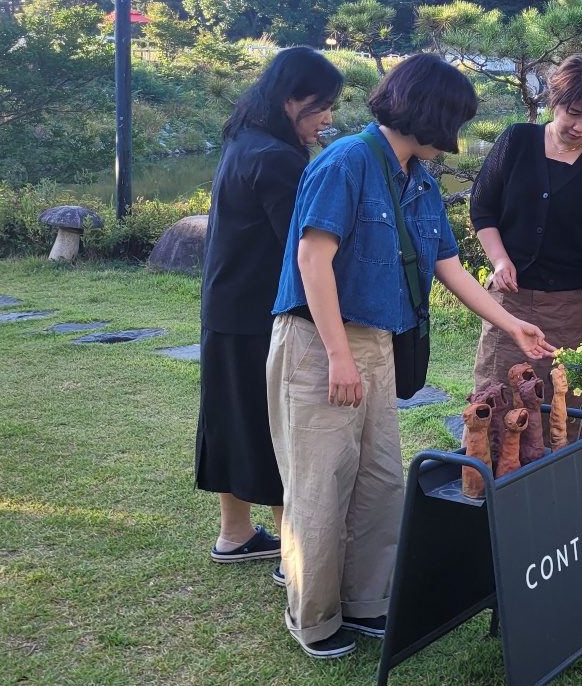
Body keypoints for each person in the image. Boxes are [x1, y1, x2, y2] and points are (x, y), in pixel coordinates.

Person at [267, 54, 554, 659]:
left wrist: (513, 324)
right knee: (320, 483)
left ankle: (366, 601)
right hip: (319, 342)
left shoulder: (419, 178)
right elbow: (312, 261)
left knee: (378, 479)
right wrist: (339, 356)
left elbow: (450, 267)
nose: (456, 136)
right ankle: (314, 618)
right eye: (455, 120)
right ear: (430, 113)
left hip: (377, 344)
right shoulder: (346, 161)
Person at [195, 47, 342, 569]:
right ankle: (292, 555)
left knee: (228, 418)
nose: (328, 118)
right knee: (273, 426)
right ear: (289, 100)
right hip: (261, 312)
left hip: (225, 303)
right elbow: (303, 251)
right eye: (321, 106)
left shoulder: (244, 139)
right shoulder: (278, 157)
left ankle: (235, 534)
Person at [469, 55, 582, 410]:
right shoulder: (516, 140)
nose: (580, 126)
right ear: (555, 99)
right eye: (573, 113)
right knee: (497, 405)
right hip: (509, 303)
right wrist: (499, 260)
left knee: (566, 409)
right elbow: (482, 207)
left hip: (569, 310)